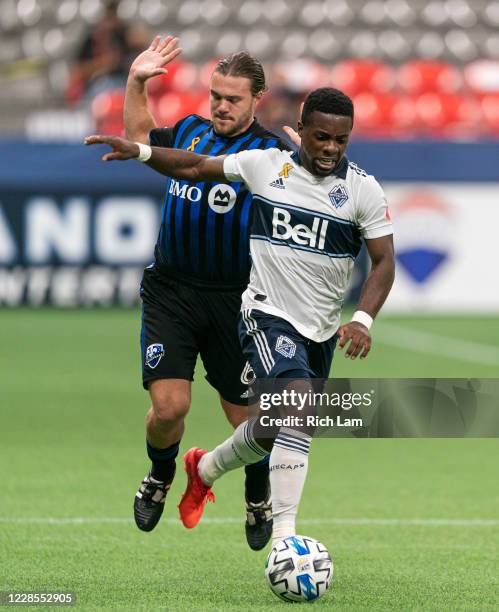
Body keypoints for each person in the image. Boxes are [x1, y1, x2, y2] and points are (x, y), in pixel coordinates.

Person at [85, 86, 395, 544]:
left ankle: (205, 468)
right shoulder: (267, 165)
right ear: (302, 130)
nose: (330, 148)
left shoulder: (362, 190)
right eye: (321, 137)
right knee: (297, 407)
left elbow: (384, 261)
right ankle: (288, 540)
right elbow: (193, 166)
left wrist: (363, 319)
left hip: (321, 329)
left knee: (269, 429)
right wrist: (141, 151)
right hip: (264, 313)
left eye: (341, 140)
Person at [121, 35, 292, 549]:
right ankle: (159, 473)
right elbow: (139, 138)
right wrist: (135, 81)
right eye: (216, 94)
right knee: (169, 408)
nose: (220, 105)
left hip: (237, 300)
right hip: (171, 290)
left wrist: (311, 166)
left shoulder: (272, 153)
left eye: (232, 98)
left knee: (249, 422)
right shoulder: (191, 132)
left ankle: (257, 492)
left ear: (256, 99)